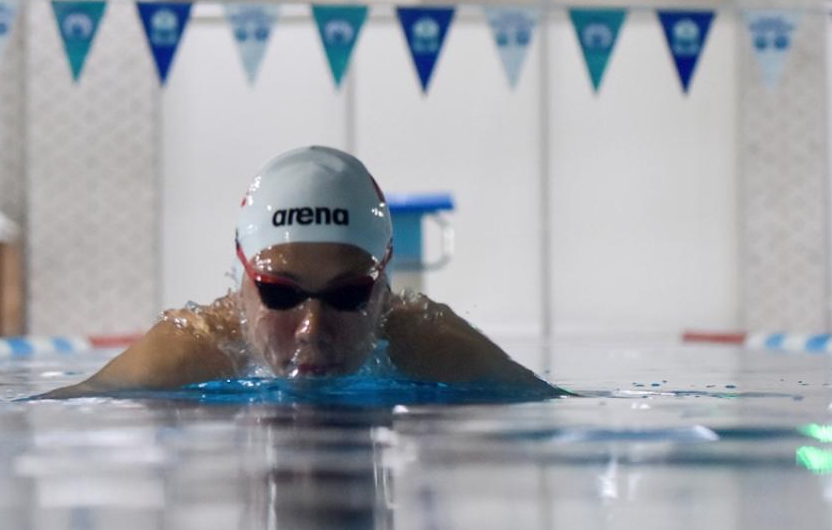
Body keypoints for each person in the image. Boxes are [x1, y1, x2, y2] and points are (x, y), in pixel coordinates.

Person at [43, 146, 561, 398]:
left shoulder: (429, 344)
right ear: (242, 281)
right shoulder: (187, 353)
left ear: (384, 289)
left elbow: (549, 408)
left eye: (348, 295)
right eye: (280, 294)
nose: (312, 328)